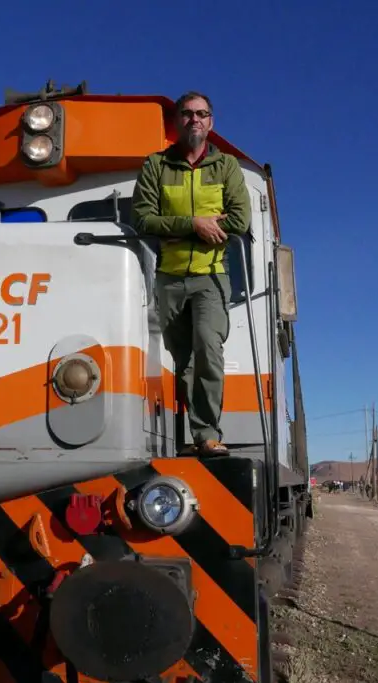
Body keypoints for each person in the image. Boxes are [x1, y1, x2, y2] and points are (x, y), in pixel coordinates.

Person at [131, 91, 251, 458]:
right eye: (187, 113)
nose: (194, 119)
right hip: (167, 277)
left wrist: (184, 228)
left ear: (211, 122)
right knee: (182, 360)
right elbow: (141, 217)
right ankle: (182, 434)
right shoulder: (155, 165)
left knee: (207, 349)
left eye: (202, 113)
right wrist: (194, 224)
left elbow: (240, 218)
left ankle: (207, 434)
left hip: (210, 277)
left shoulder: (226, 166)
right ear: (177, 122)